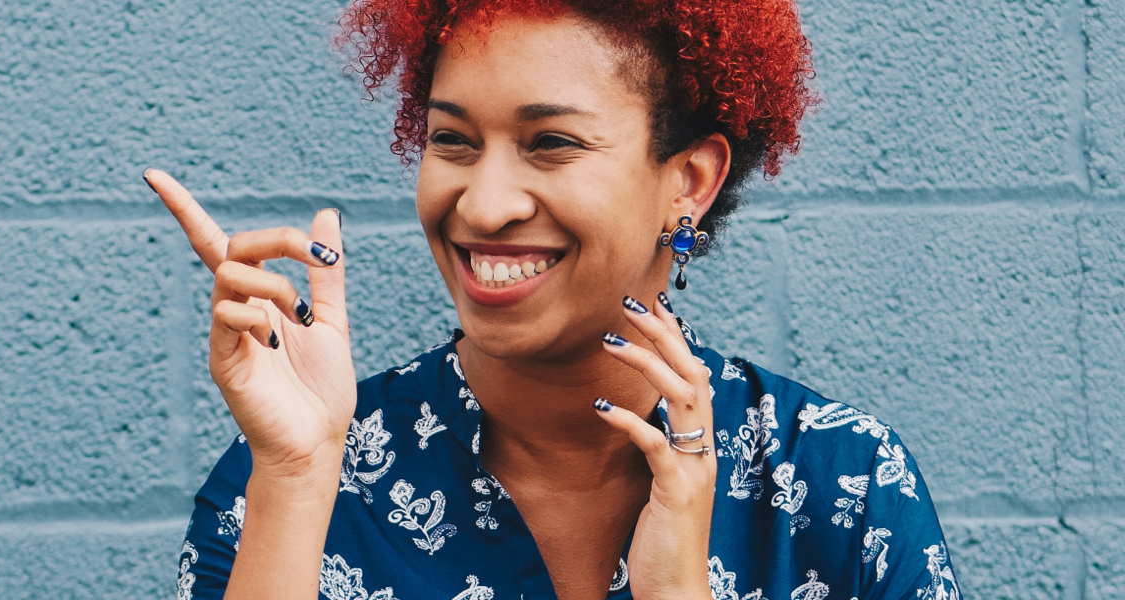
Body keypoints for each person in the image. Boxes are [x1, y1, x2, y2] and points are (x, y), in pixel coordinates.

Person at [143, 1, 957, 599]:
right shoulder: (287, 475)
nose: (485, 204)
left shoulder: (841, 488)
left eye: (553, 143)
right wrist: (293, 477)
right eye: (452, 140)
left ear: (690, 182)